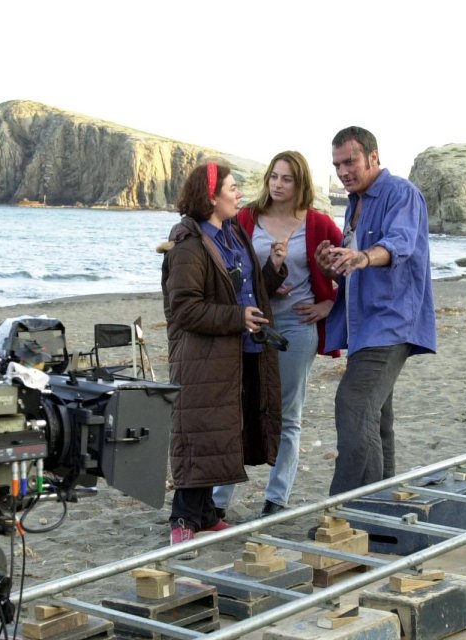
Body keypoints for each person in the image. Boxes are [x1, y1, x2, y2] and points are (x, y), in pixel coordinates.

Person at [159, 159, 285, 556]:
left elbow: (242, 290)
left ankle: (206, 516)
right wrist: (236, 317)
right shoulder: (190, 246)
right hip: (202, 356)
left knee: (221, 431)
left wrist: (274, 271)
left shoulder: (231, 233)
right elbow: (183, 309)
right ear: (210, 197)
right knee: (199, 432)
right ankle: (182, 520)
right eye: (231, 188)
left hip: (236, 350)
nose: (238, 193)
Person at [212, 151, 342, 518]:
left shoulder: (318, 223)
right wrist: (264, 282)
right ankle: (219, 499)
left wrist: (330, 305)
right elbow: (225, 270)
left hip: (297, 328)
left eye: (287, 179)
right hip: (251, 324)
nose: (278, 185)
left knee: (287, 412)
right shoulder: (244, 218)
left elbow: (349, 270)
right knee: (239, 407)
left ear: (300, 184)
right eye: (274, 177)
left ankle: (276, 499)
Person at [315, 127, 437, 495]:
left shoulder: (401, 193)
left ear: (373, 156)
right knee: (377, 419)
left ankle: (346, 513)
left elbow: (399, 245)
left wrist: (364, 256)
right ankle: (383, 508)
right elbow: (350, 273)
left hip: (391, 324)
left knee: (352, 406)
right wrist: (328, 264)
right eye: (337, 165)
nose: (343, 171)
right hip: (364, 328)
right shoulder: (355, 204)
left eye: (350, 161)